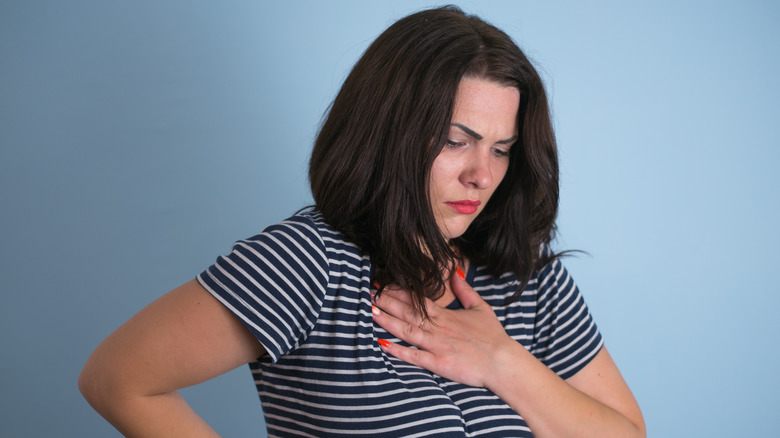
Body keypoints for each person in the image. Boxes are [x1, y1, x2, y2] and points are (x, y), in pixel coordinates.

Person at [79, 6, 645, 437]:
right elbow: (117, 380)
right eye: (456, 141)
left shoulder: (531, 281)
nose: (482, 174)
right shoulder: (309, 264)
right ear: (389, 134)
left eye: (502, 149)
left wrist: (503, 362)